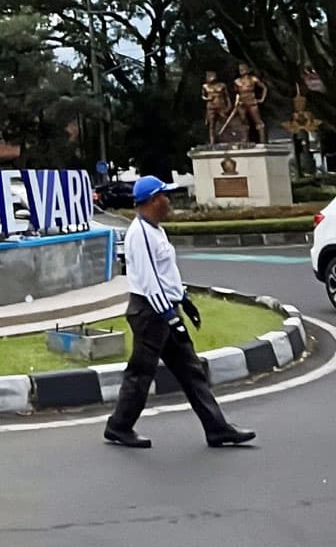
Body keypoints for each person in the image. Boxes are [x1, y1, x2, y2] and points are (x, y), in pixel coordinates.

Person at [104, 176, 257, 448]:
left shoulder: (156, 229)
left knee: (191, 371)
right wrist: (170, 316)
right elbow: (150, 282)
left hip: (164, 310)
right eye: (165, 196)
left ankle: (217, 428)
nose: (169, 201)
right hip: (151, 314)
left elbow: (166, 275)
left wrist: (184, 300)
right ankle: (119, 426)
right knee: (141, 373)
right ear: (153, 201)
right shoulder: (139, 234)